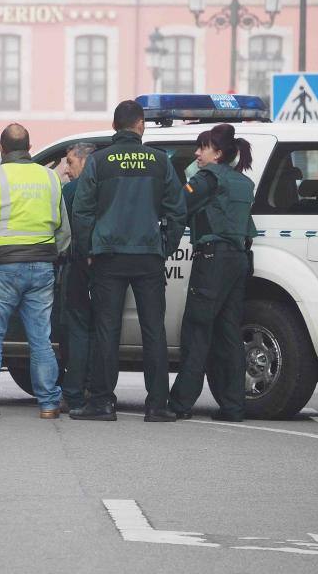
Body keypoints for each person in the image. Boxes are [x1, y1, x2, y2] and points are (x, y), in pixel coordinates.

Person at [71, 100, 186, 422]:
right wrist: (165, 246)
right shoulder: (160, 162)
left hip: (108, 256)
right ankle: (157, 405)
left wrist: (88, 250)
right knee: (154, 331)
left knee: (107, 329)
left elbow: (82, 211)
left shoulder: (98, 161)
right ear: (140, 125)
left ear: (114, 126)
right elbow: (177, 211)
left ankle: (102, 403)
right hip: (148, 255)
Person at [0, 123, 70, 419]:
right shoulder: (50, 178)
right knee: (41, 338)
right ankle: (49, 403)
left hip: (2, 268)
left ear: (2, 149)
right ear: (30, 147)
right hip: (41, 267)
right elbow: (64, 230)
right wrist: (53, 257)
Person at [169, 125, 256, 422]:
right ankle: (233, 406)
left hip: (213, 260)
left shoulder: (207, 179)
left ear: (217, 153)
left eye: (202, 148)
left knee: (197, 330)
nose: (197, 153)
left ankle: (179, 404)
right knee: (228, 333)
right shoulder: (244, 183)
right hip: (239, 260)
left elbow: (177, 204)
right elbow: (248, 227)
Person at [58, 142, 97, 412]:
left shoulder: (71, 191)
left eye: (70, 162)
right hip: (108, 266)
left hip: (78, 263)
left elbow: (59, 230)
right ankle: (98, 389)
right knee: (103, 329)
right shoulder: (109, 187)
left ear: (85, 161)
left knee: (77, 328)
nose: (66, 169)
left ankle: (73, 391)